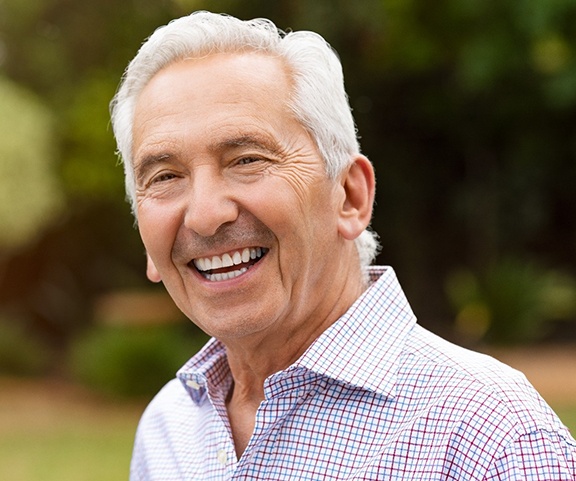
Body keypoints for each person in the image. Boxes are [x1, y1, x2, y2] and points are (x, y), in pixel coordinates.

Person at [110, 11, 576, 480]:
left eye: (247, 159)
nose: (206, 215)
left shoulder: (491, 437)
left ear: (350, 196)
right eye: (166, 177)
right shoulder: (169, 426)